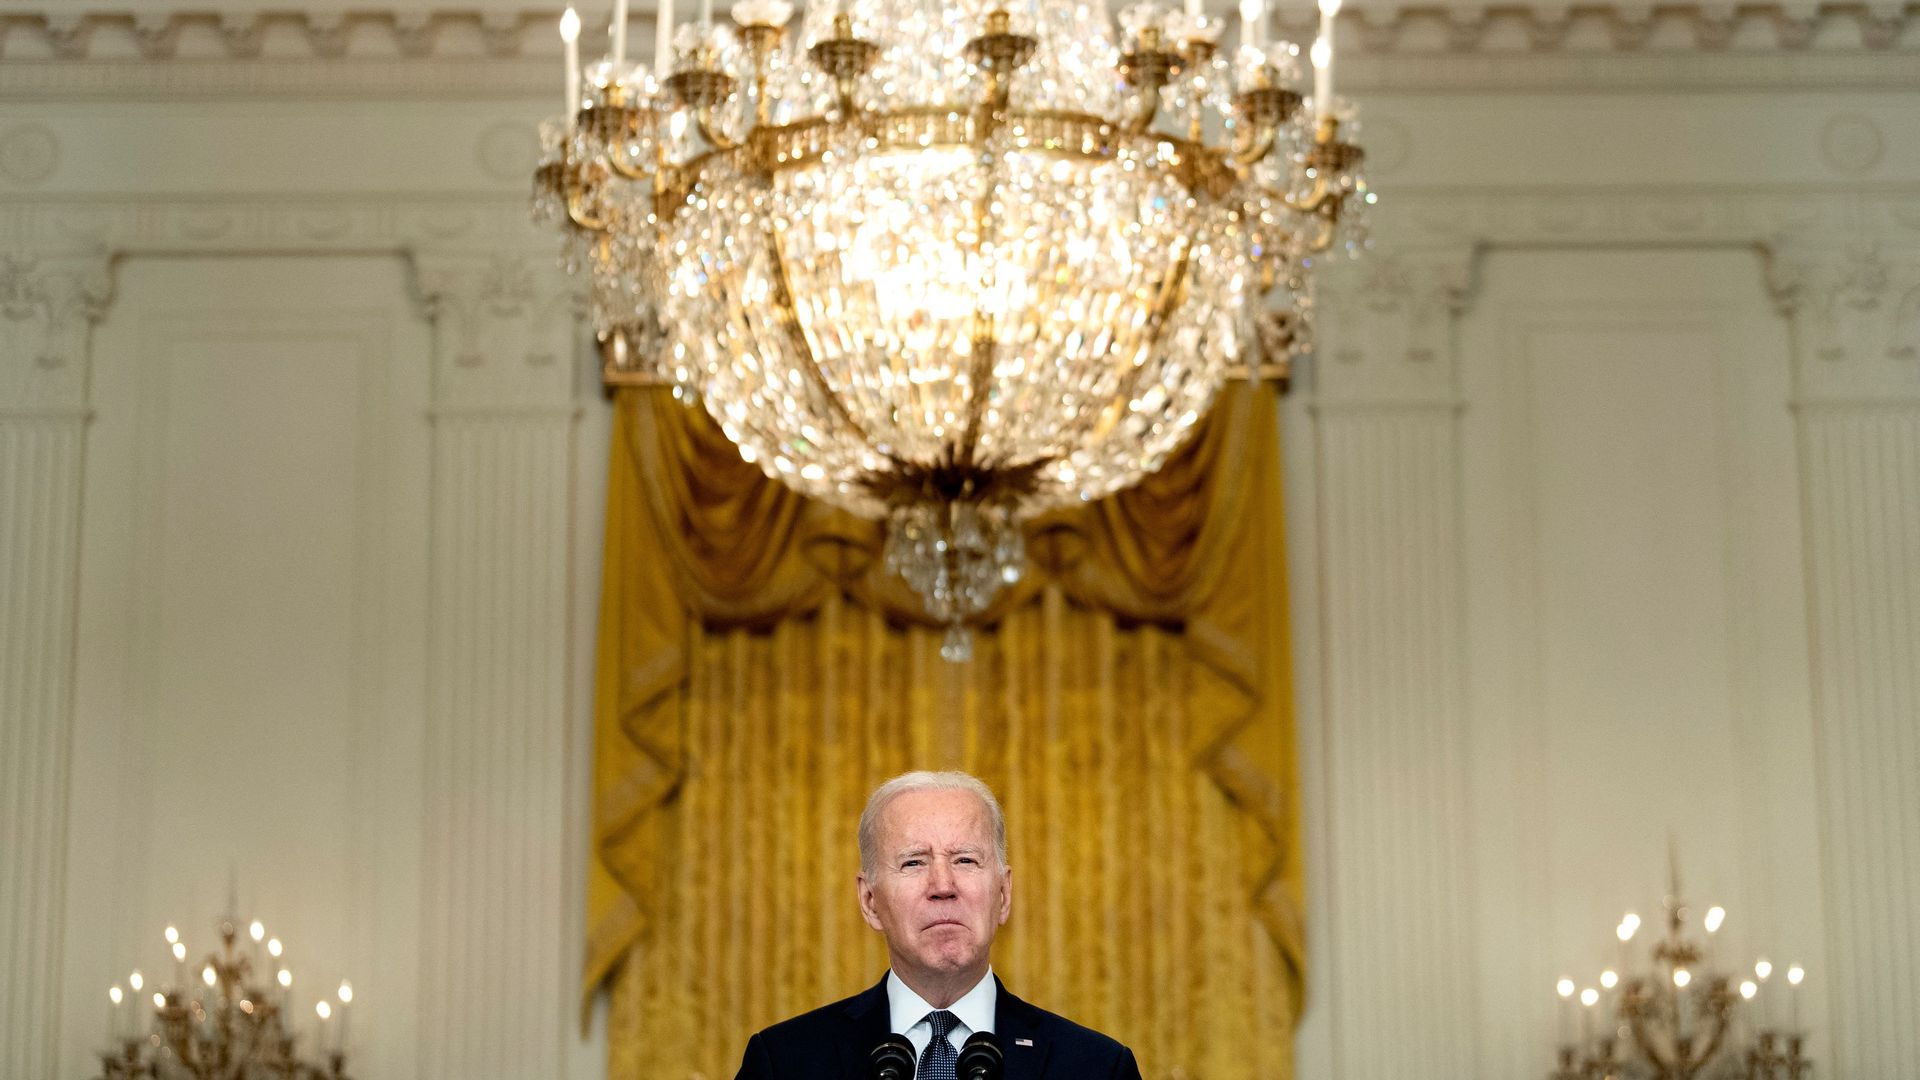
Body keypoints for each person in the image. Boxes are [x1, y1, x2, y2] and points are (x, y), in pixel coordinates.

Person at [734, 771, 1144, 1080]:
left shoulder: (1097, 1067)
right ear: (869, 900)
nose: (943, 886)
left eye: (966, 860)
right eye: (914, 862)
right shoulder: (784, 1062)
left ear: (1003, 894)